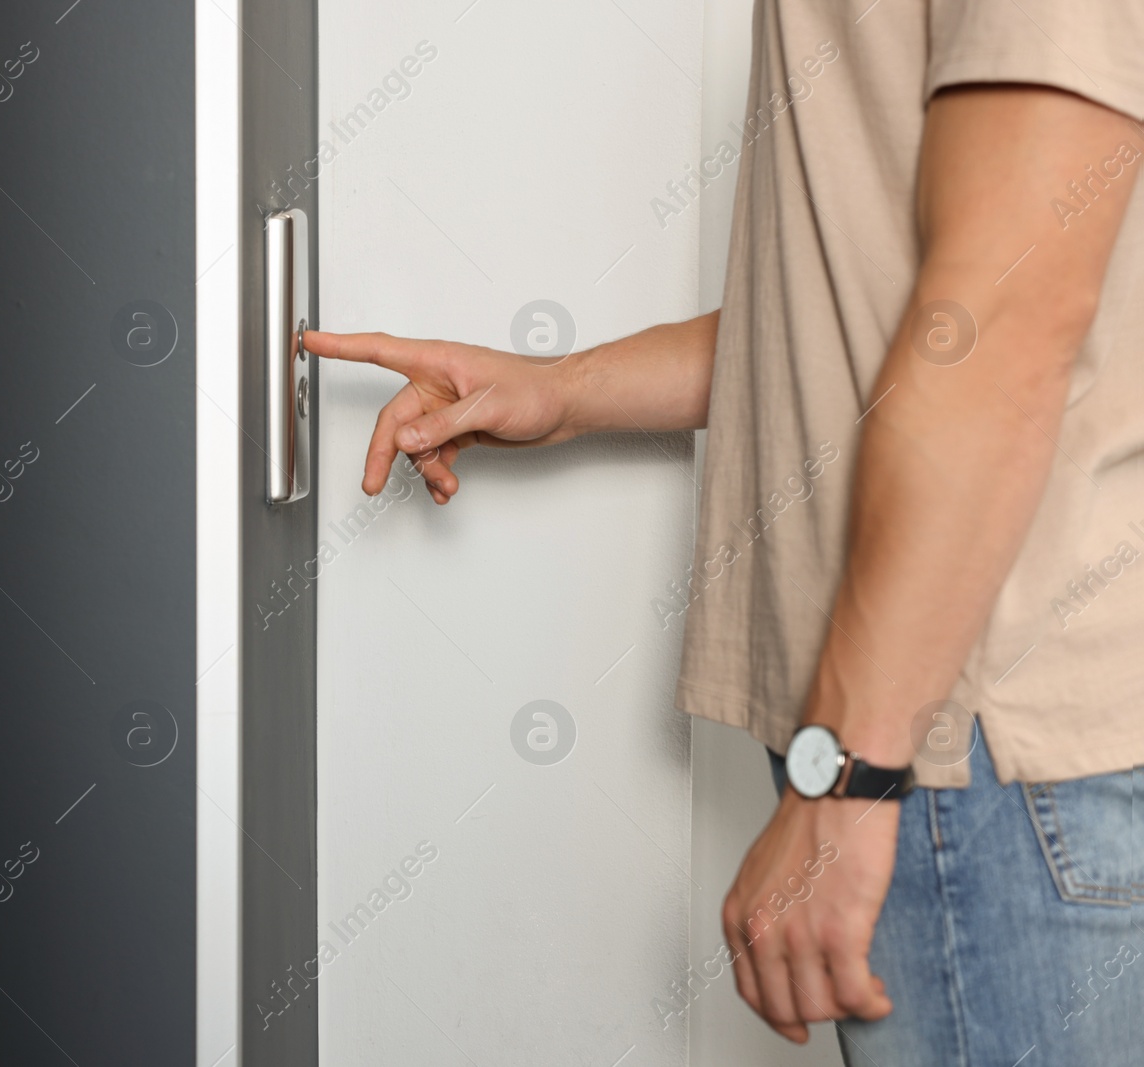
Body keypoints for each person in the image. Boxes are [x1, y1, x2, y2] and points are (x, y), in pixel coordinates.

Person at [304, 2, 1144, 1062]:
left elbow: (1000, 326)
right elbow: (875, 304)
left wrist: (848, 776)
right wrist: (563, 390)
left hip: (969, 747)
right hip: (947, 744)